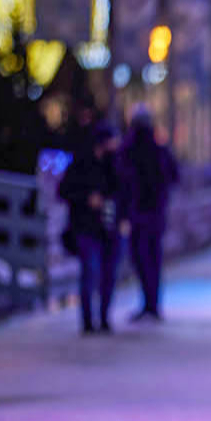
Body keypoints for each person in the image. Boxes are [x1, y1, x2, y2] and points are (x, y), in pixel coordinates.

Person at [58, 124, 129, 335]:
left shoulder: (115, 165)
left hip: (110, 228)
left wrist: (124, 218)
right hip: (86, 227)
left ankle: (105, 318)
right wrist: (87, 199)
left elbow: (125, 193)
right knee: (90, 271)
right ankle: (88, 321)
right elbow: (63, 190)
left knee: (109, 274)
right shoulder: (81, 164)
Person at [121, 109, 179, 321]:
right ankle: (152, 304)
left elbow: (123, 180)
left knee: (142, 258)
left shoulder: (130, 149)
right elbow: (174, 175)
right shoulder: (158, 149)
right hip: (155, 213)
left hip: (140, 213)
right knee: (153, 258)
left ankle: (149, 303)